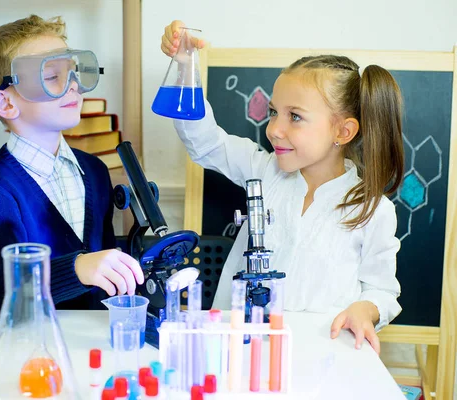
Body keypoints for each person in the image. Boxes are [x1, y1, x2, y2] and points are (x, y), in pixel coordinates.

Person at [160, 20, 405, 354]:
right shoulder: (264, 170)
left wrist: (366, 309)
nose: (274, 129)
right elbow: (204, 141)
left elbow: (382, 291)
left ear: (343, 132)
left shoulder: (373, 210)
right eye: (275, 112)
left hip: (321, 355)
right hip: (241, 348)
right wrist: (186, 68)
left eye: (295, 117)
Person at [0, 15, 143, 318]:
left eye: (73, 73)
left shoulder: (95, 171)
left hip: (95, 339)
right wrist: (76, 268)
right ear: (6, 104)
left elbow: (102, 269)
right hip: (38, 347)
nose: (73, 86)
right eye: (51, 77)